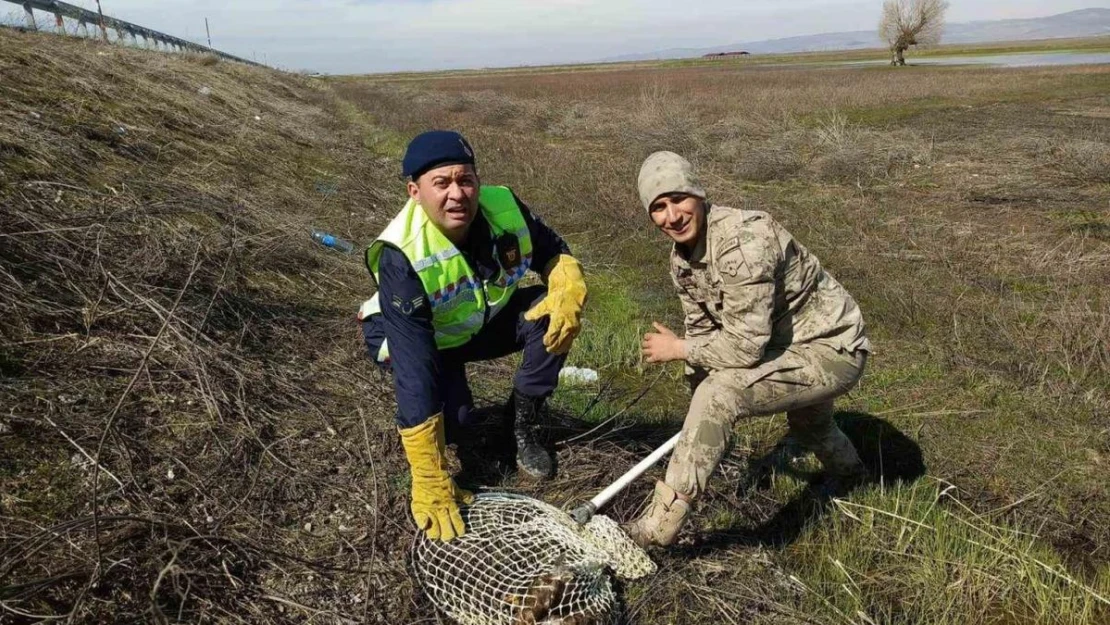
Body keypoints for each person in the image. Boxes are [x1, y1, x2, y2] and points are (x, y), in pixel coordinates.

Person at [627, 151, 872, 547]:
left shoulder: (743, 241)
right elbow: (702, 328)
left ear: (699, 195)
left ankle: (658, 529)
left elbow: (741, 349)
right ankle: (854, 478)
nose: (672, 216)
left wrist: (682, 354)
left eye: (679, 200)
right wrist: (700, 423)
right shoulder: (682, 260)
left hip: (832, 348)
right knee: (810, 424)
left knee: (720, 394)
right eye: (658, 208)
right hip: (784, 348)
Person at [358, 130, 587, 541]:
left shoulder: (503, 206)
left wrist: (566, 280)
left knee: (549, 310)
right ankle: (446, 436)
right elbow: (415, 371)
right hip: (419, 339)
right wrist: (429, 475)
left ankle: (522, 422)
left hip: (474, 321)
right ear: (415, 191)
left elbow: (552, 249)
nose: (457, 194)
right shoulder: (401, 255)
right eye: (441, 184)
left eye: (465, 180)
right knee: (459, 426)